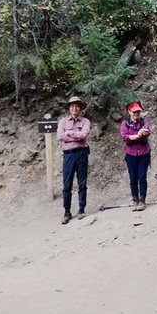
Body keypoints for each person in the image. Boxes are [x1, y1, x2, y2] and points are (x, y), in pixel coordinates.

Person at [57, 95, 91, 224]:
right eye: (72, 106)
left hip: (82, 153)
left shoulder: (85, 121)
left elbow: (84, 135)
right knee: (67, 184)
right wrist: (76, 137)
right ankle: (67, 212)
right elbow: (60, 136)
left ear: (80, 108)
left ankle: (81, 209)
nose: (75, 108)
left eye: (77, 106)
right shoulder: (63, 122)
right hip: (68, 154)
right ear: (69, 108)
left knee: (82, 183)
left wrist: (69, 133)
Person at [120, 100, 151, 211]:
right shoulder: (124, 124)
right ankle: (135, 199)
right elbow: (124, 136)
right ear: (129, 111)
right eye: (134, 111)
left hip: (143, 152)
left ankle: (142, 200)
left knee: (142, 176)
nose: (136, 114)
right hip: (130, 153)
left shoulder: (144, 122)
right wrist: (137, 135)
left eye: (138, 111)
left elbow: (146, 131)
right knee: (133, 177)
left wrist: (139, 134)